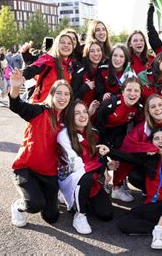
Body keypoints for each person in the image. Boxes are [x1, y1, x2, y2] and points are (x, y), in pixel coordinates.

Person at [9, 69, 72, 228]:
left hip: (49, 172)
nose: (62, 97)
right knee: (34, 204)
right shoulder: (39, 110)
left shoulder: (67, 119)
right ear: (51, 94)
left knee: (52, 216)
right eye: (59, 93)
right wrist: (15, 88)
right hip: (26, 168)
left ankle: (43, 195)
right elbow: (16, 106)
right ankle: (18, 206)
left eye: (66, 94)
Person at [112, 129, 162, 250]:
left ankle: (159, 230)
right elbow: (129, 157)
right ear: (151, 143)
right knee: (122, 222)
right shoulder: (148, 159)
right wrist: (109, 151)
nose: (161, 141)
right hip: (155, 204)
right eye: (156, 138)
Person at [113, 94, 162, 202]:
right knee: (134, 175)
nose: (157, 109)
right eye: (153, 107)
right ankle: (150, 190)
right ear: (148, 111)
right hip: (155, 166)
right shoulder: (143, 127)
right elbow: (129, 146)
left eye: (160, 105)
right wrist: (148, 148)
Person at [57, 100, 114, 234]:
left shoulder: (92, 132)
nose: (83, 115)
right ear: (70, 116)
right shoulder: (63, 135)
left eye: (84, 111)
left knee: (106, 215)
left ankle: (82, 198)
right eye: (77, 113)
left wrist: (105, 161)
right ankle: (79, 214)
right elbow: (75, 165)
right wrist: (102, 168)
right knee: (85, 177)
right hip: (71, 176)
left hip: (92, 176)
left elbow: (95, 155)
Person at [22, 32, 76, 103]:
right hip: (42, 108)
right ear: (56, 45)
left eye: (69, 43)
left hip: (61, 109)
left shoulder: (73, 65)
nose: (66, 45)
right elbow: (29, 71)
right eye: (62, 42)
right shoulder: (48, 60)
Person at [94, 77, 143, 149]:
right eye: (129, 90)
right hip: (104, 130)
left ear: (140, 93)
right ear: (123, 91)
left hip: (121, 131)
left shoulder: (139, 108)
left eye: (136, 91)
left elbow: (136, 127)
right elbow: (98, 125)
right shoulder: (110, 104)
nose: (132, 94)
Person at [71, 41, 104, 107]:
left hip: (98, 114)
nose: (96, 54)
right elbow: (72, 98)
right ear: (87, 53)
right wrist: (84, 88)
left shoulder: (104, 70)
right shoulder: (80, 72)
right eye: (92, 51)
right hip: (82, 113)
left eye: (98, 50)